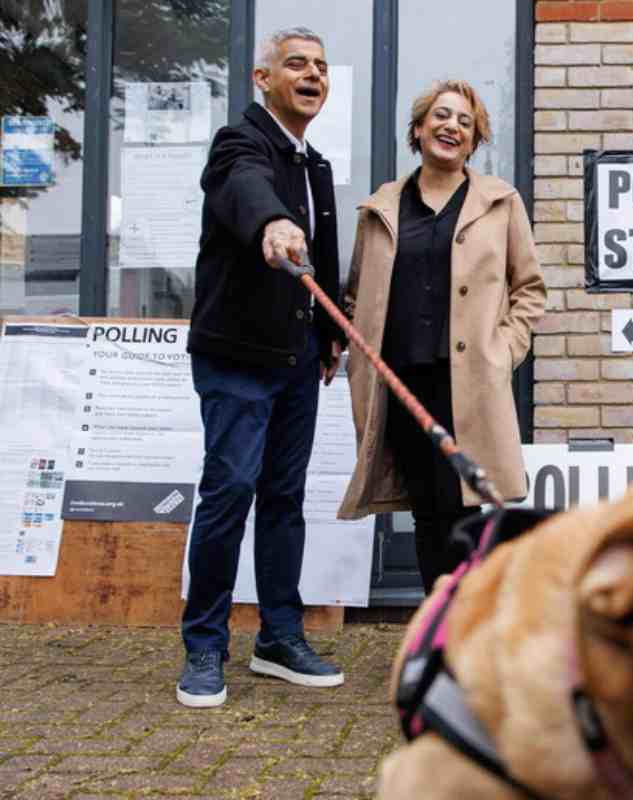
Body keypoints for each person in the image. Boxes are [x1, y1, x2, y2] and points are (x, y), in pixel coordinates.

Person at [179, 26, 347, 708]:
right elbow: (246, 190)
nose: (313, 75)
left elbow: (325, 260)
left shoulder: (318, 166)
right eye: (297, 64)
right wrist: (274, 225)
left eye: (321, 67)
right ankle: (204, 646)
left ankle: (278, 636)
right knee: (231, 491)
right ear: (264, 79)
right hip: (237, 356)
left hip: (299, 356)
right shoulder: (239, 144)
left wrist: (332, 328)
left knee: (284, 498)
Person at [338, 80, 546, 594]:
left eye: (465, 122)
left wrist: (504, 352)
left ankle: (470, 630)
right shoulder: (381, 210)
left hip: (470, 383)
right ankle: (440, 628)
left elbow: (531, 289)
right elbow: (356, 295)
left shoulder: (500, 202)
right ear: (418, 128)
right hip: (404, 384)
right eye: (441, 116)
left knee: (467, 510)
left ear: (474, 142)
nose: (452, 126)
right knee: (429, 513)